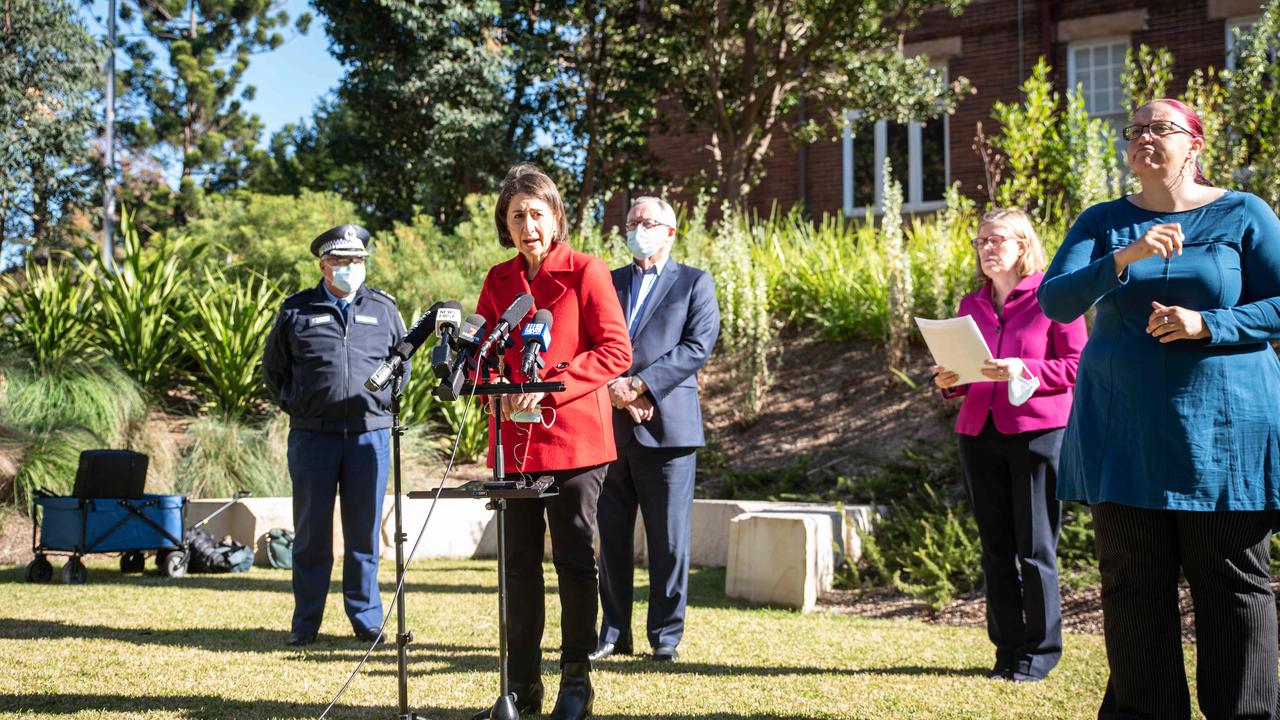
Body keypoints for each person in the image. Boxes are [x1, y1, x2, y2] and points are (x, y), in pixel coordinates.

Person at [1039, 98, 1280, 718]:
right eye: (1135, 129)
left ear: (1194, 144)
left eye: (1161, 128)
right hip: (1124, 435)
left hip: (1225, 437)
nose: (1144, 136)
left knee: (1233, 589)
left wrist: (1210, 324)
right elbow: (1057, 303)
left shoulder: (1243, 213)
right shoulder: (1104, 222)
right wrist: (1125, 257)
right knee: (1132, 589)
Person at [471, 164, 631, 720]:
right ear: (505, 224)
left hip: (575, 443)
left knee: (573, 561)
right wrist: (497, 391)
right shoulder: (498, 281)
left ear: (556, 217)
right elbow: (481, 358)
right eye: (517, 215)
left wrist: (549, 390)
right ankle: (520, 685)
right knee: (516, 564)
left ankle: (575, 683)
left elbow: (615, 352)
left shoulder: (587, 271)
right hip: (514, 445)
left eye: (537, 214)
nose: (527, 225)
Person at [933, 208, 1087, 682]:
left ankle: (1039, 654)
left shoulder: (1053, 298)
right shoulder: (969, 305)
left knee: (1036, 547)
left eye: (996, 240)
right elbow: (963, 377)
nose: (986, 249)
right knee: (995, 549)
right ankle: (1006, 650)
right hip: (978, 434)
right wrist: (948, 379)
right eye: (980, 241)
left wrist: (1024, 369)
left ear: (1022, 245)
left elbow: (1078, 365)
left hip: (1037, 435)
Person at [262, 224, 408, 647]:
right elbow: (274, 372)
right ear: (324, 264)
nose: (351, 268)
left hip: (369, 437)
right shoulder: (297, 310)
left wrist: (383, 405)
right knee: (311, 535)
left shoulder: (383, 309)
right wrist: (301, 405)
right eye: (342, 261)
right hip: (313, 438)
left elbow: (403, 364)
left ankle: (366, 619)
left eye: (358, 261)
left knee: (364, 535)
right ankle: (305, 623)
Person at [591, 197, 721, 664]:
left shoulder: (694, 283)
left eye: (647, 222)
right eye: (631, 223)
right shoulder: (609, 281)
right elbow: (591, 342)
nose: (637, 229)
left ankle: (665, 636)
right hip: (610, 427)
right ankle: (612, 631)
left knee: (668, 541)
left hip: (668, 431)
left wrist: (643, 385)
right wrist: (614, 390)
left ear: (670, 231)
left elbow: (697, 345)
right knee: (611, 538)